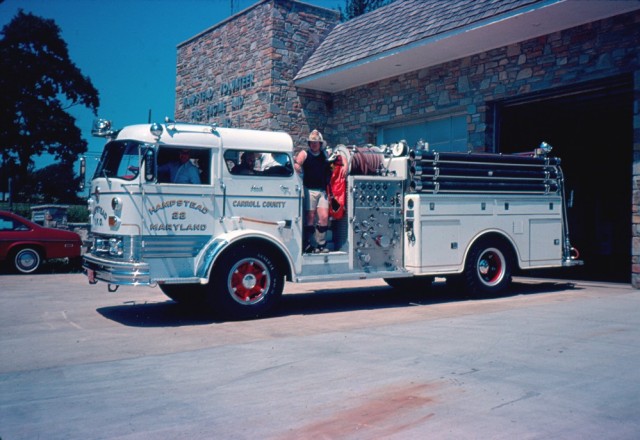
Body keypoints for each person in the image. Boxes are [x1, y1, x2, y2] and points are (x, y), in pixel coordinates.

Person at [294, 129, 332, 253]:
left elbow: (333, 166)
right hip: (309, 189)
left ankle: (321, 244)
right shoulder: (304, 154)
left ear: (320, 144)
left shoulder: (325, 155)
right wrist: (299, 170)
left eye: (316, 142)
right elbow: (296, 165)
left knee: (324, 217)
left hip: (322, 190)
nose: (314, 144)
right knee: (310, 217)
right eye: (311, 142)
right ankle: (309, 244)